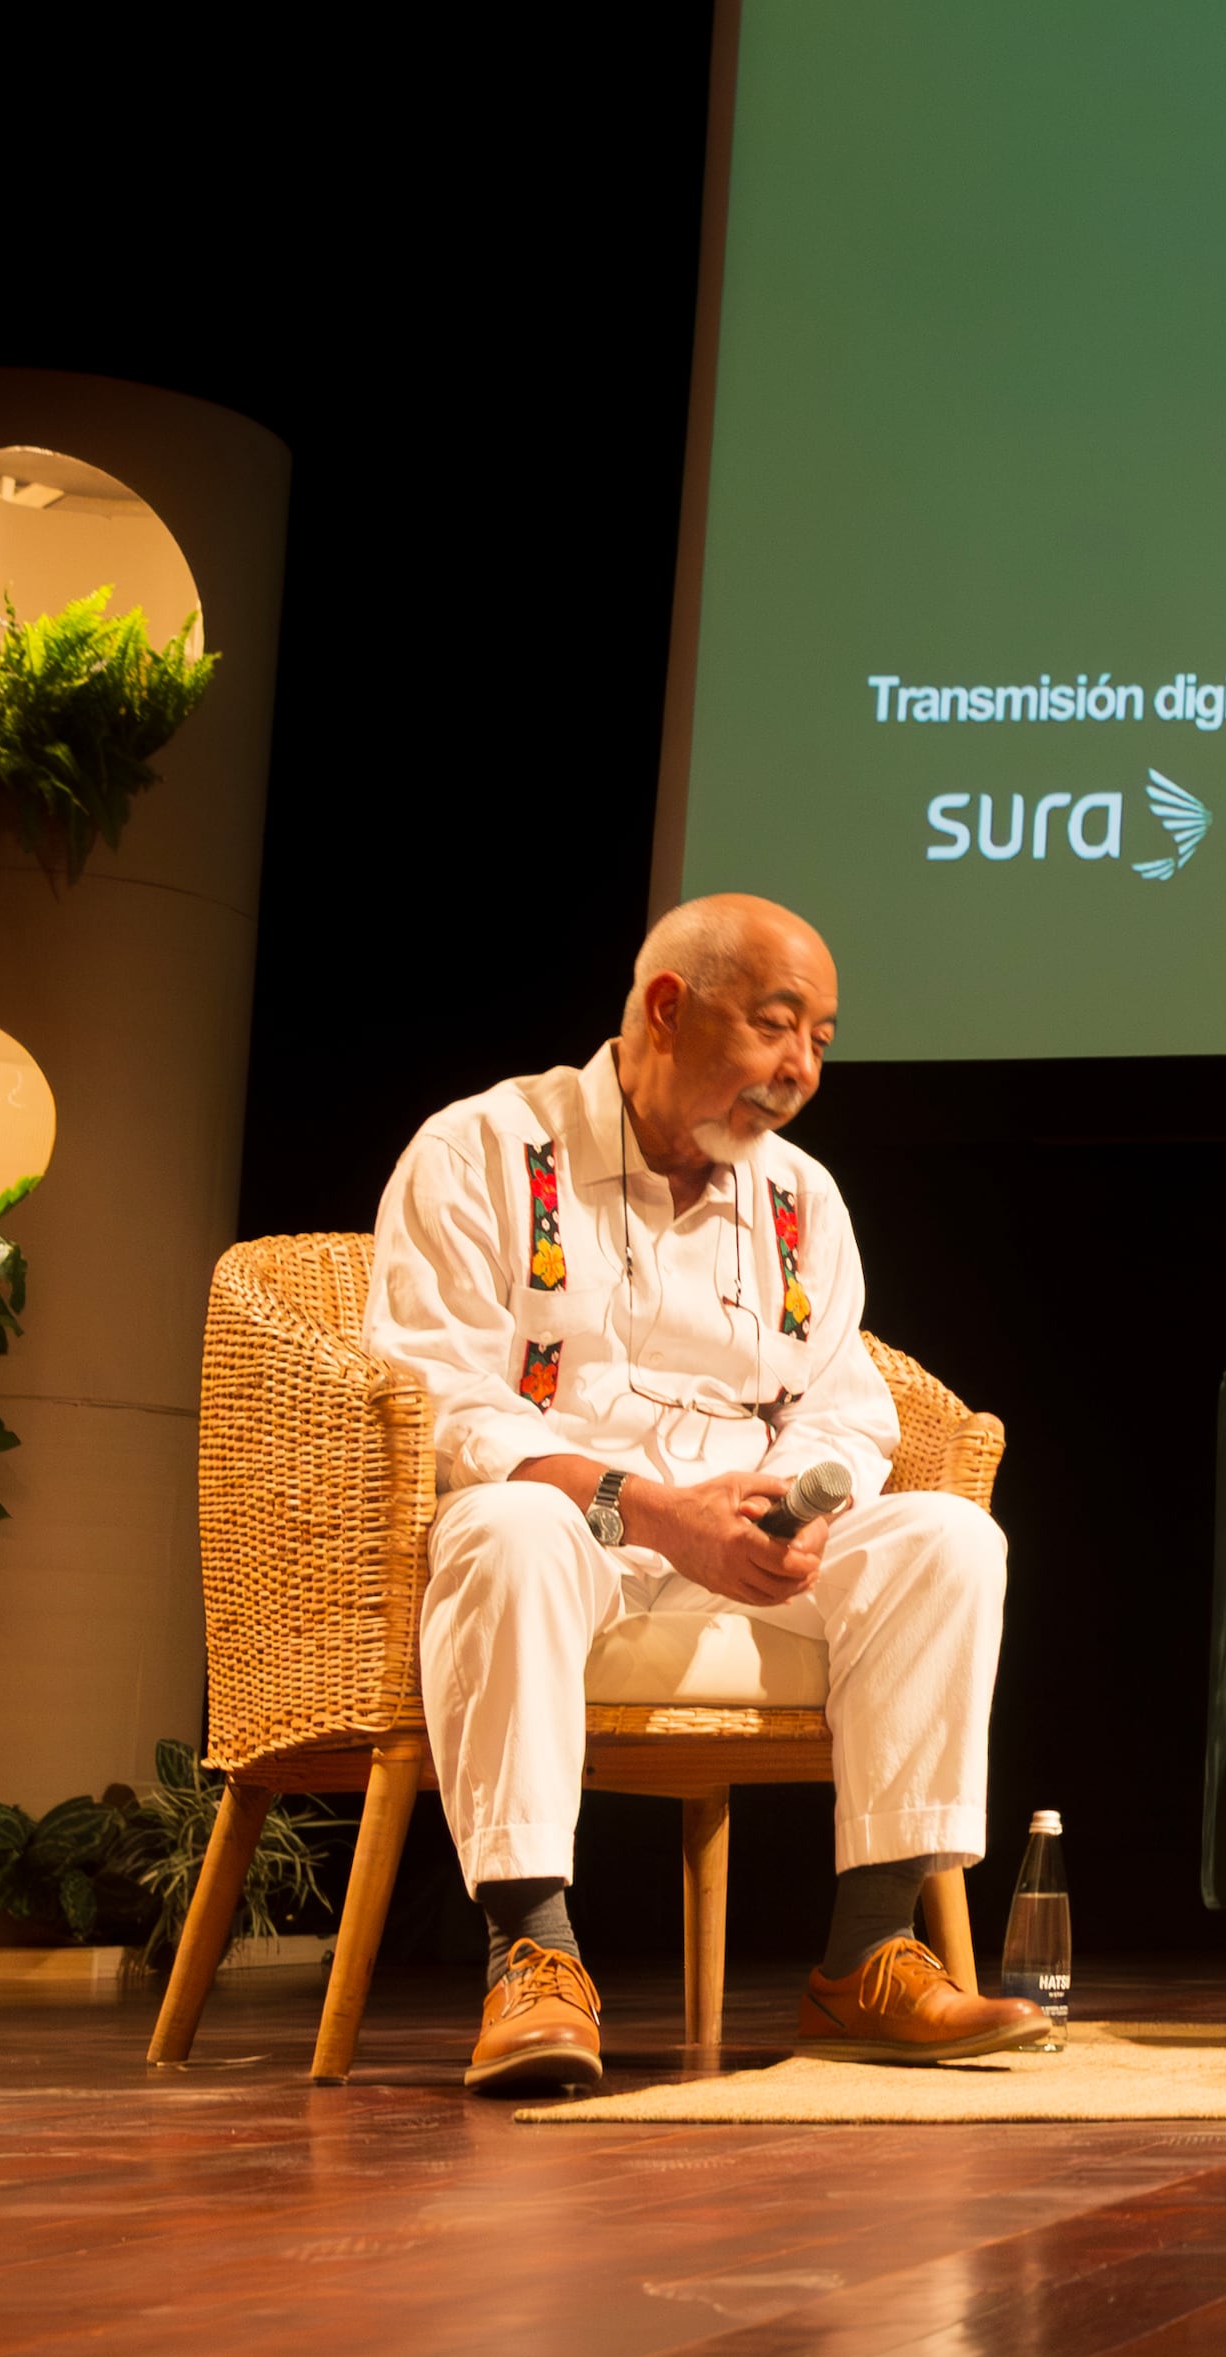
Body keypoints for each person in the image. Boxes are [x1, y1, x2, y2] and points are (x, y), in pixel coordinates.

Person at [368, 895, 1044, 2100]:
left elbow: (849, 1405)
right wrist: (647, 1506)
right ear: (668, 1009)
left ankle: (868, 1956)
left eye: (823, 1043)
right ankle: (532, 1954)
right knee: (508, 1524)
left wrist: (794, 1511)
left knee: (950, 1539)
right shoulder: (480, 1149)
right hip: (570, 1528)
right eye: (778, 1028)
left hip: (741, 1543)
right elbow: (445, 1400)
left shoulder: (802, 1200)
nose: (800, 1073)